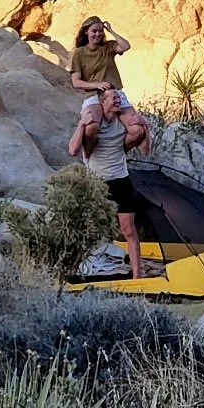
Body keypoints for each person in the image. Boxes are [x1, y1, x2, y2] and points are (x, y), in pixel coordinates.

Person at [69, 84, 150, 280]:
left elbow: (146, 151)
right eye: (112, 98)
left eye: (118, 98)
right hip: (97, 184)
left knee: (128, 230)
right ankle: (76, 269)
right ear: (102, 102)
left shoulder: (122, 124)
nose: (117, 101)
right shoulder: (93, 126)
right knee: (89, 229)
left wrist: (145, 126)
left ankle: (137, 277)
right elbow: (72, 151)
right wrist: (81, 124)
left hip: (120, 181)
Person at [69, 14, 146, 152]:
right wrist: (96, 85)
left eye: (100, 31)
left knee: (137, 129)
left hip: (115, 93)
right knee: (91, 125)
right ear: (86, 31)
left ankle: (119, 152)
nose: (97, 34)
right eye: (94, 31)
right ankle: (89, 154)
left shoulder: (108, 47)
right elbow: (76, 82)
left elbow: (125, 46)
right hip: (94, 94)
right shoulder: (79, 53)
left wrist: (111, 30)